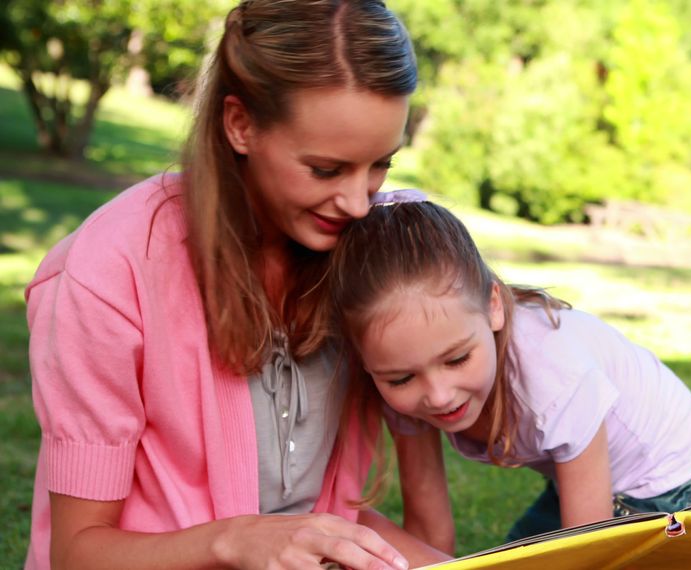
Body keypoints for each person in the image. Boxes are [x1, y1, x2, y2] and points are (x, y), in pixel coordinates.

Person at [24, 1, 451, 568]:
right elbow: (77, 553)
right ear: (240, 124)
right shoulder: (108, 271)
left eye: (380, 165)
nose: (356, 203)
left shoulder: (374, 247)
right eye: (326, 169)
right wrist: (235, 541)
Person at [330, 194, 691, 553]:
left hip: (673, 485)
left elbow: (588, 549)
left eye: (456, 360)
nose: (437, 394)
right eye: (401, 379)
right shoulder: (400, 371)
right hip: (578, 484)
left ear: (493, 307)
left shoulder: (551, 374)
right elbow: (430, 533)